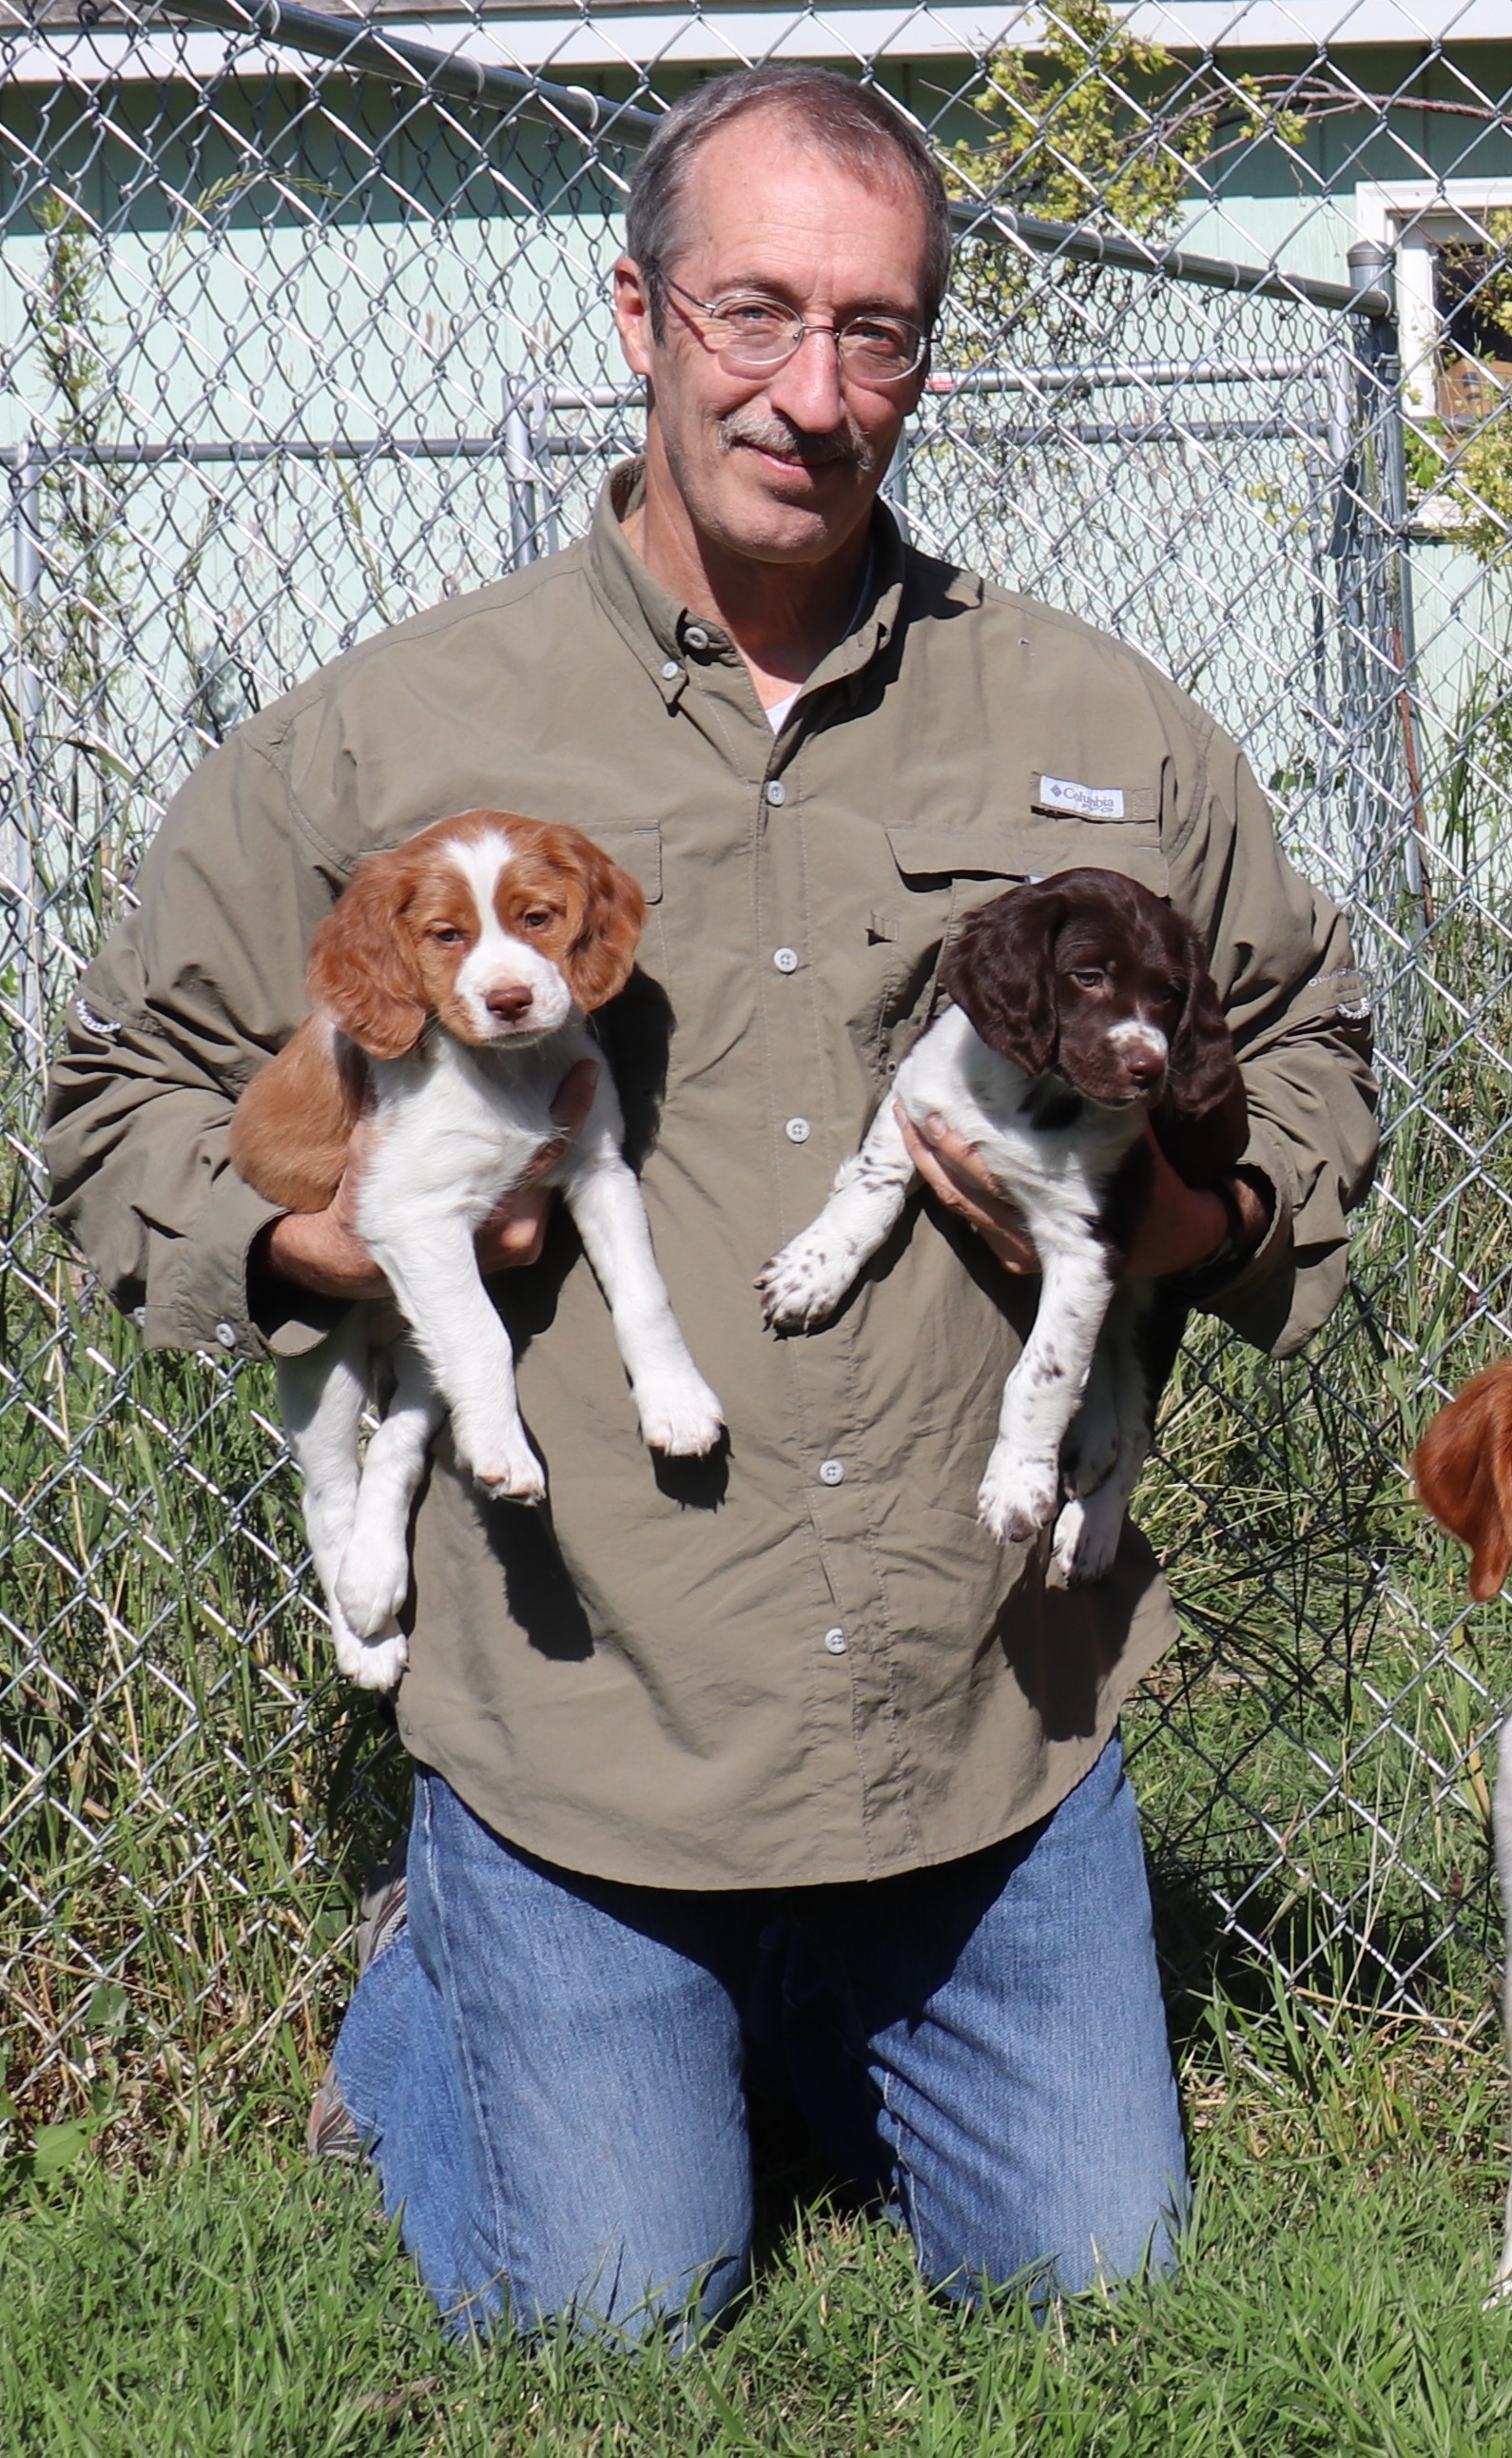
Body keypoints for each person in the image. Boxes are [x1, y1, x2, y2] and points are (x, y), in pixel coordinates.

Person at [41, 66, 1379, 2340]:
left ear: (925, 362)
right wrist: (321, 1240)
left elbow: (1316, 1056)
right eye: (755, 312)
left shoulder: (1103, 724)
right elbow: (113, 1095)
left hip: (981, 1730)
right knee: (614, 2321)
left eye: (876, 330)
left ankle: (803, 2043)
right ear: (641, 313)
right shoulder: (392, 730)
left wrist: (1196, 1221)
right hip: (592, 1733)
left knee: (1102, 2298)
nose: (812, 389)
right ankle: (466, 1977)